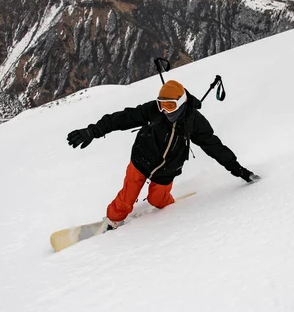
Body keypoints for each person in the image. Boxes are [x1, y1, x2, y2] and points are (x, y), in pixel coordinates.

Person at [67, 80, 259, 229]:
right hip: (141, 159)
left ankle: (166, 203)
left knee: (157, 200)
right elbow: (122, 118)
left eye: (170, 106)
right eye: (162, 105)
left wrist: (238, 170)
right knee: (125, 200)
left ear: (182, 103)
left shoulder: (194, 123)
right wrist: (93, 131)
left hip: (167, 169)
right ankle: (113, 221)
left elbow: (214, 147)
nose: (165, 111)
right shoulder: (153, 111)